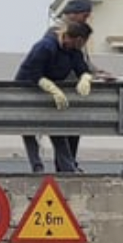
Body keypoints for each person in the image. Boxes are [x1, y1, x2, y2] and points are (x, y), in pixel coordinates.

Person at [14, 21, 95, 174]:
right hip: (28, 88)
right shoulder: (45, 47)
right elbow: (34, 72)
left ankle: (67, 168)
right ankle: (37, 166)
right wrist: (52, 89)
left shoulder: (73, 52)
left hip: (52, 90)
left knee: (57, 128)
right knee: (28, 128)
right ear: (77, 39)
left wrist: (85, 78)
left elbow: (82, 68)